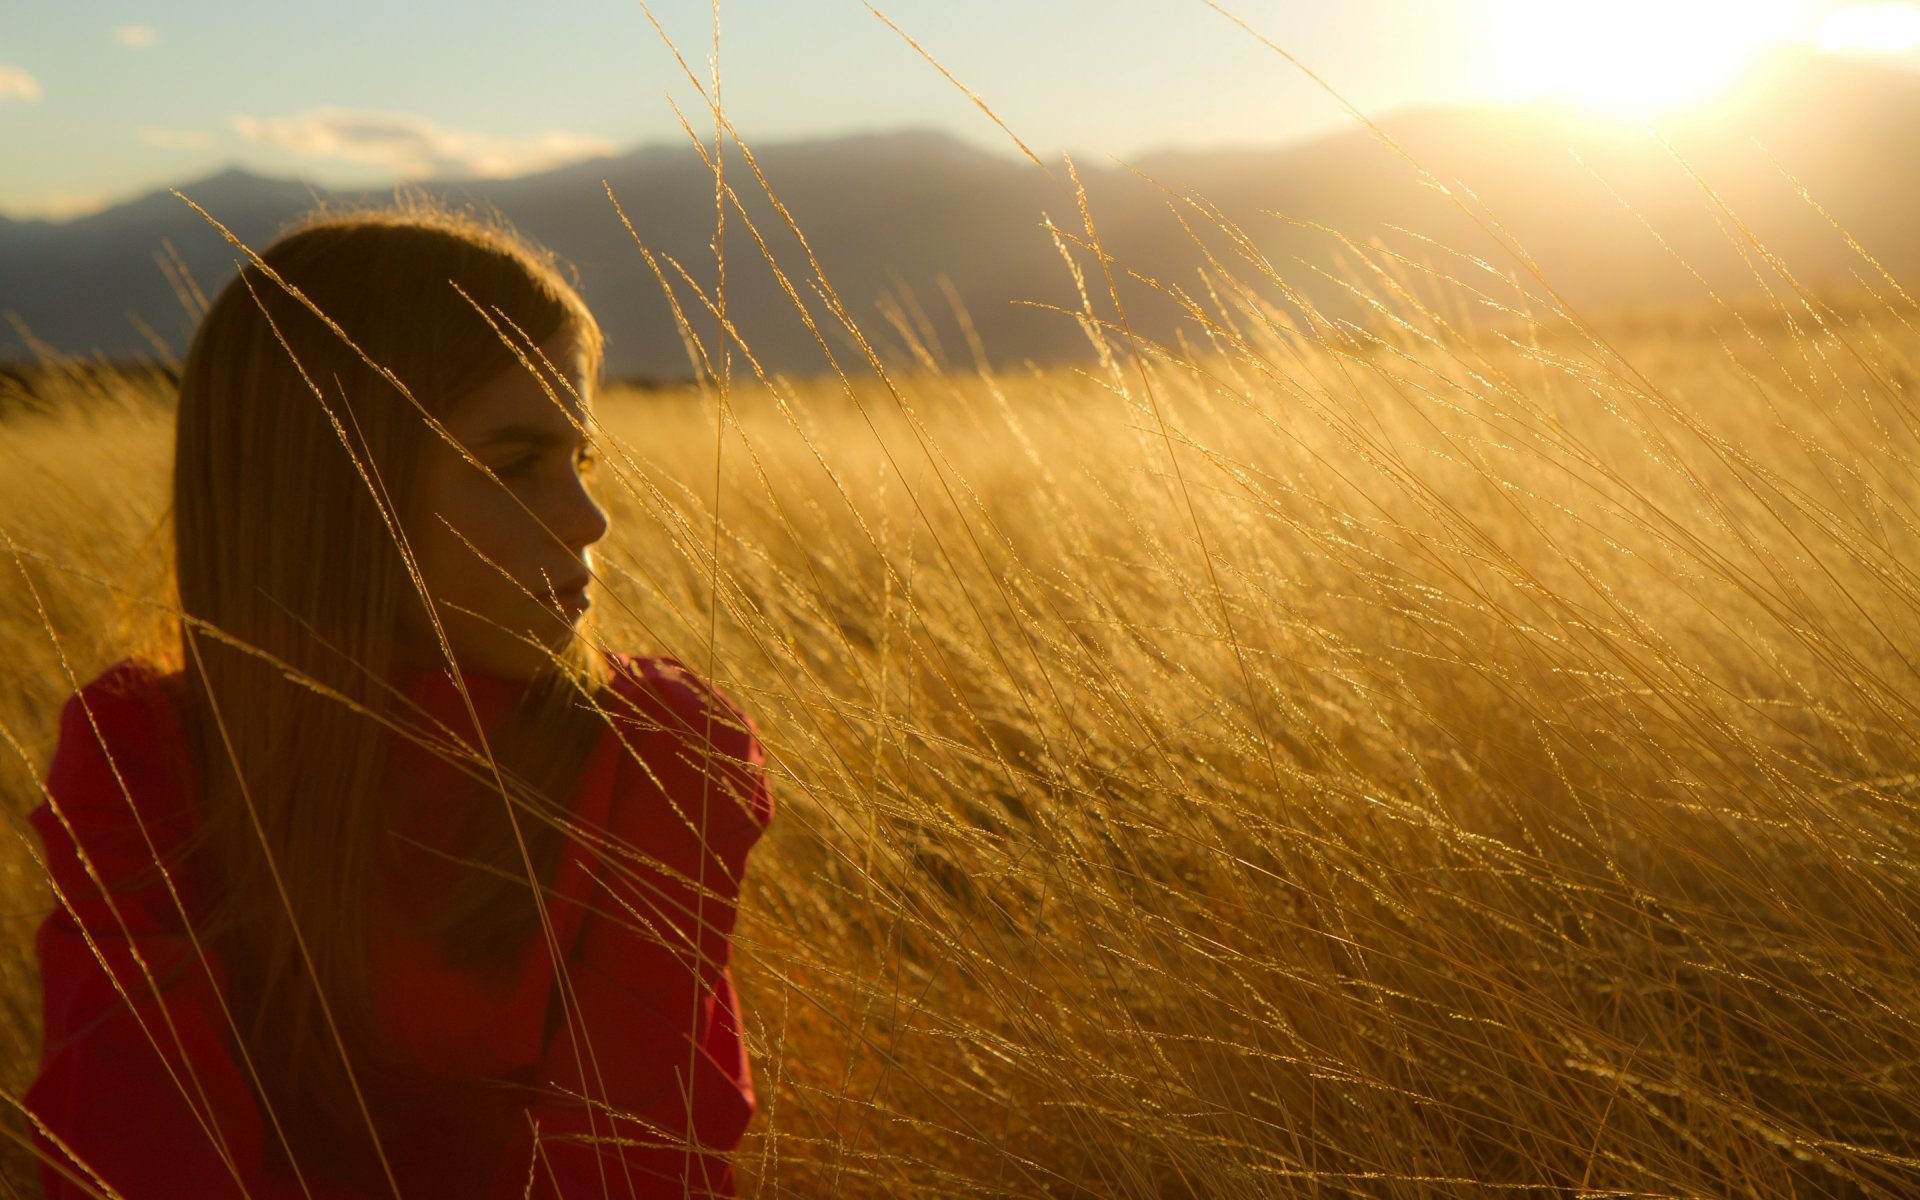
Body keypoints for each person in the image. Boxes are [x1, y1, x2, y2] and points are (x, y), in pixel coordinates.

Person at [24, 206, 773, 1198]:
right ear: (336, 490)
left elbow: (635, 1155)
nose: (589, 519)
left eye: (579, 458)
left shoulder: (659, 751)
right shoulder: (145, 752)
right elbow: (138, 1137)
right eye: (514, 466)